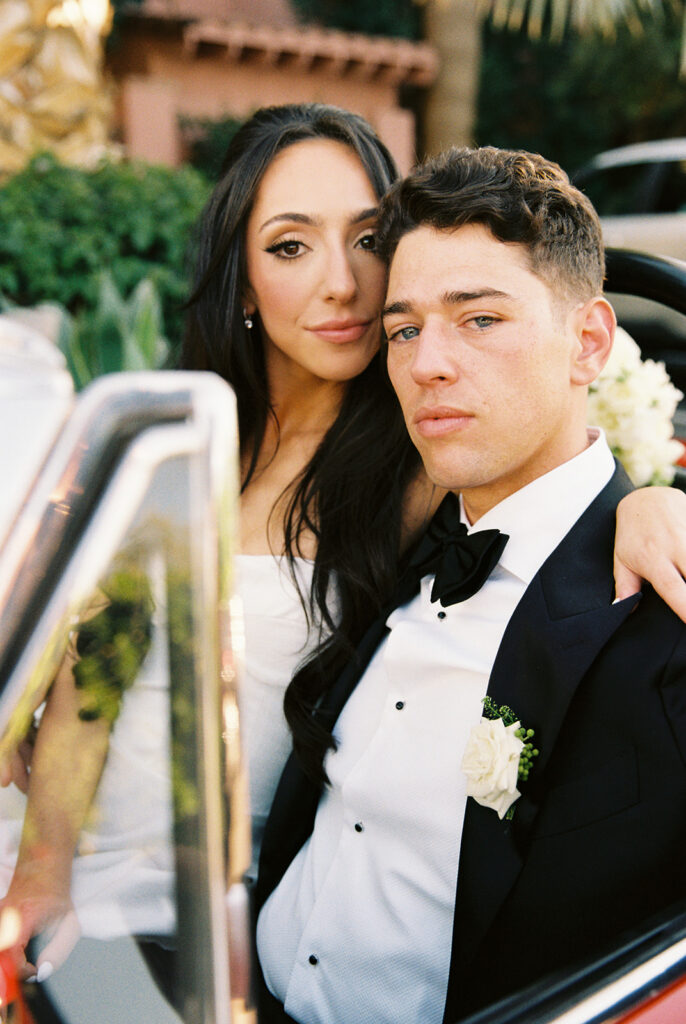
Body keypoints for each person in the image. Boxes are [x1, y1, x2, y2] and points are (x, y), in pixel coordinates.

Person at [1, 105, 685, 979]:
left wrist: (654, 502)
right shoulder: (188, 435)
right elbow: (96, 675)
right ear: (242, 282)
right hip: (87, 850)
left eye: (366, 240)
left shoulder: (425, 451)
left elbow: (550, 452)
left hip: (228, 905)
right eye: (291, 246)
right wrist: (43, 876)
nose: (344, 284)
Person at [254, 145, 686, 1024]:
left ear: (590, 341)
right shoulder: (393, 535)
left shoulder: (661, 621)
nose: (426, 365)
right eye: (405, 329)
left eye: (480, 319)